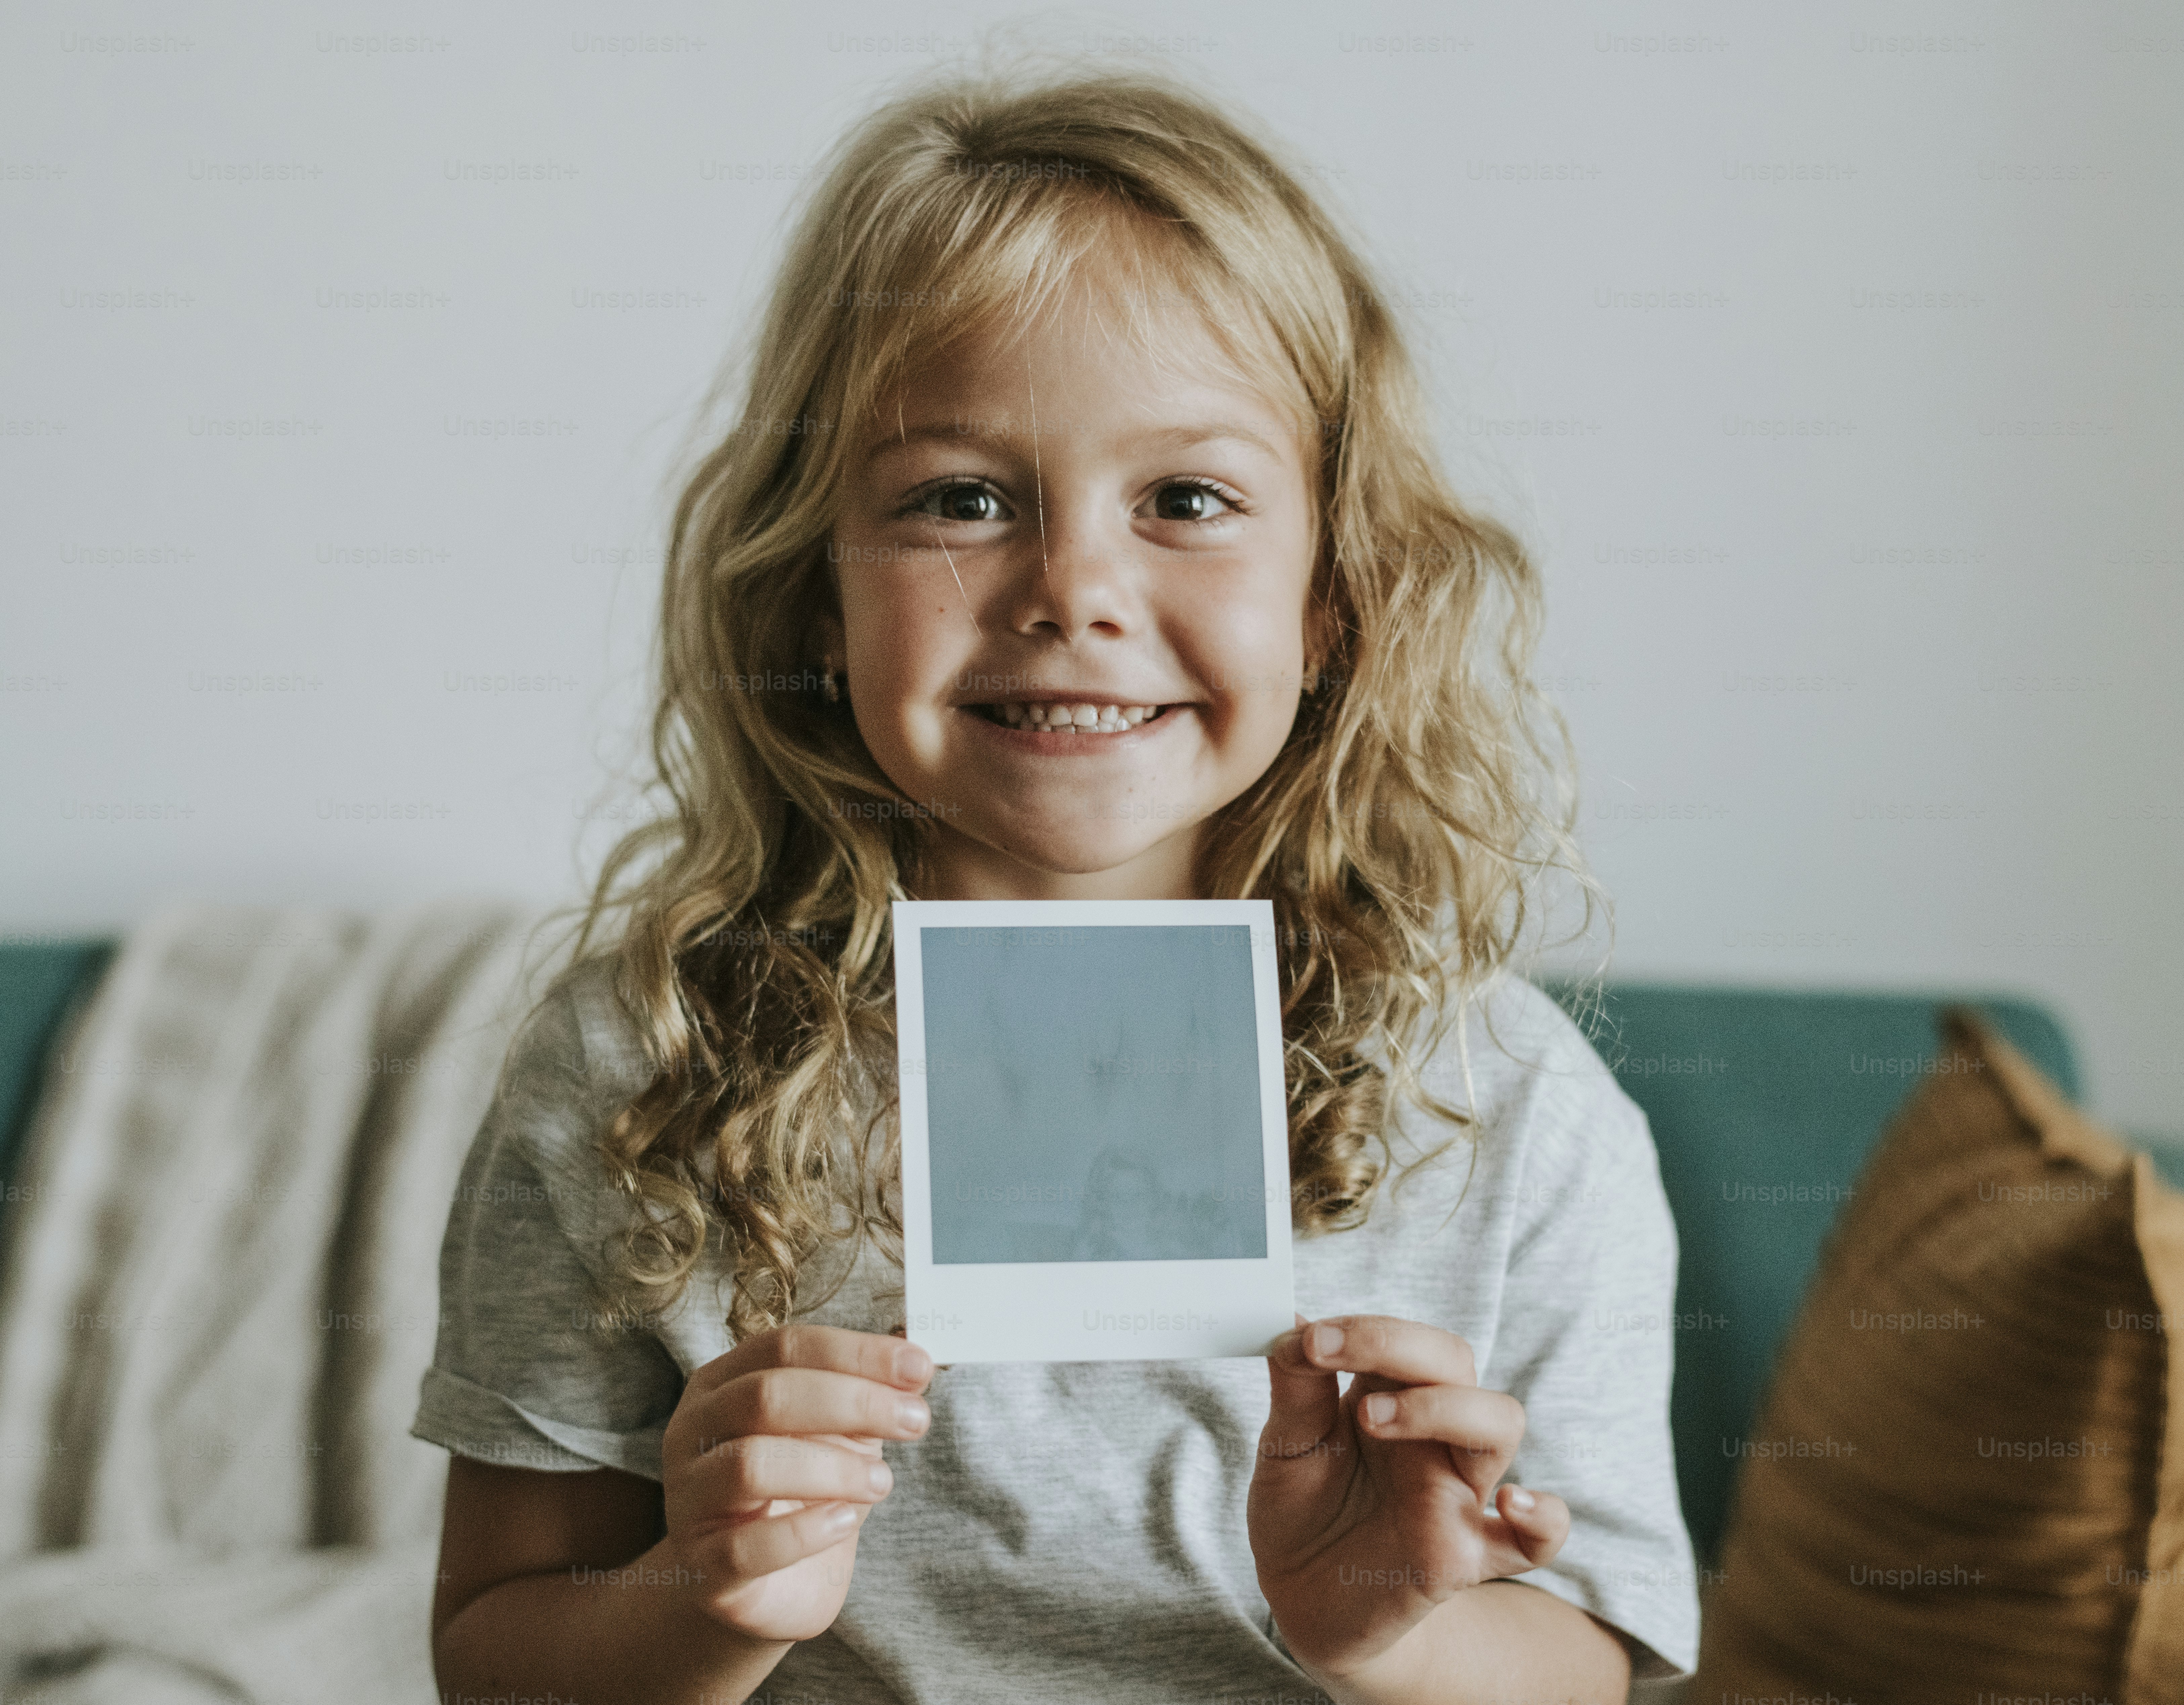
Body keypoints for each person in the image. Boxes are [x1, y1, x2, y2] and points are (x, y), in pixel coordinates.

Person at [416, 57, 1699, 1705]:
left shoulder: (1505, 1105)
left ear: (1333, 597)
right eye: (960, 499)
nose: (1072, 588)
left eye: (1187, 500)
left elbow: (1589, 1664)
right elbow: (494, 1655)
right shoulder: (634, 1068)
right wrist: (704, 1601)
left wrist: (1393, 1623)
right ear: (817, 598)